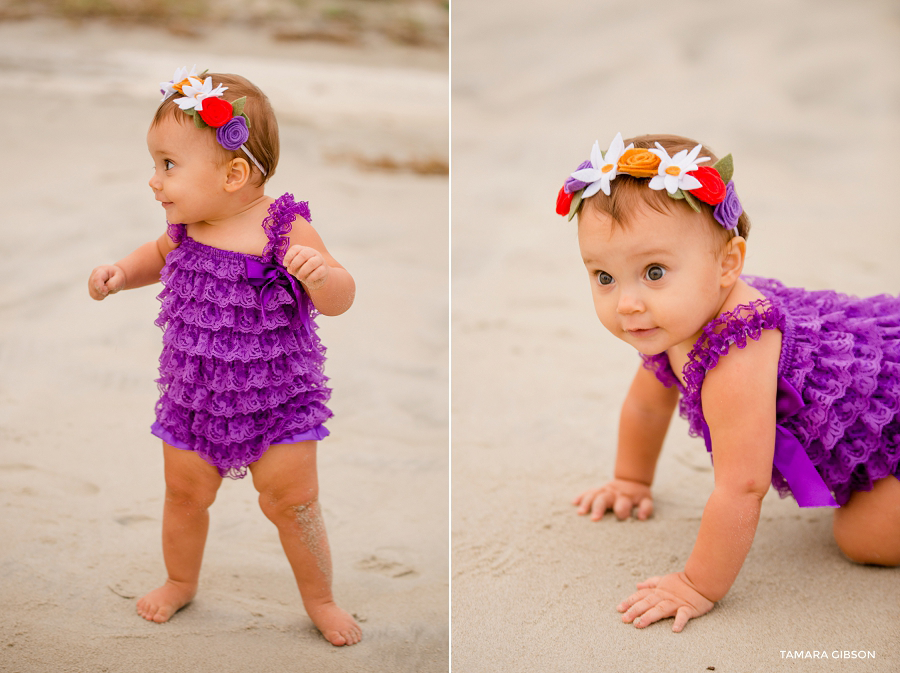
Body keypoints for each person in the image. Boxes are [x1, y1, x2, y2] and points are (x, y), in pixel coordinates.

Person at [558, 133, 900, 633]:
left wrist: (698, 584)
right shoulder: (673, 320)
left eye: (654, 271)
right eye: (604, 277)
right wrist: (630, 480)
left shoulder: (739, 350)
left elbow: (743, 485)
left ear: (727, 264)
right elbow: (647, 407)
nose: (626, 302)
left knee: (869, 538)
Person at [88, 67, 361, 646]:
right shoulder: (187, 227)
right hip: (194, 396)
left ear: (235, 173)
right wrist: (120, 273)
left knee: (294, 504)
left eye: (168, 165)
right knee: (184, 497)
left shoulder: (285, 229)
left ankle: (321, 598)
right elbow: (155, 256)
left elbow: (341, 298)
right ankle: (179, 580)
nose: (154, 181)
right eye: (155, 164)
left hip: (276, 399)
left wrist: (323, 277)